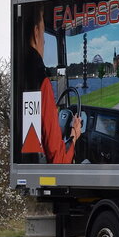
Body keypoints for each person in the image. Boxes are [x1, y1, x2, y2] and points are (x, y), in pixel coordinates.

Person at [21, 12, 81, 164]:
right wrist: (75, 134)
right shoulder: (40, 80)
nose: (44, 44)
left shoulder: (20, 73)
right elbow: (59, 160)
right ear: (36, 33)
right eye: (44, 38)